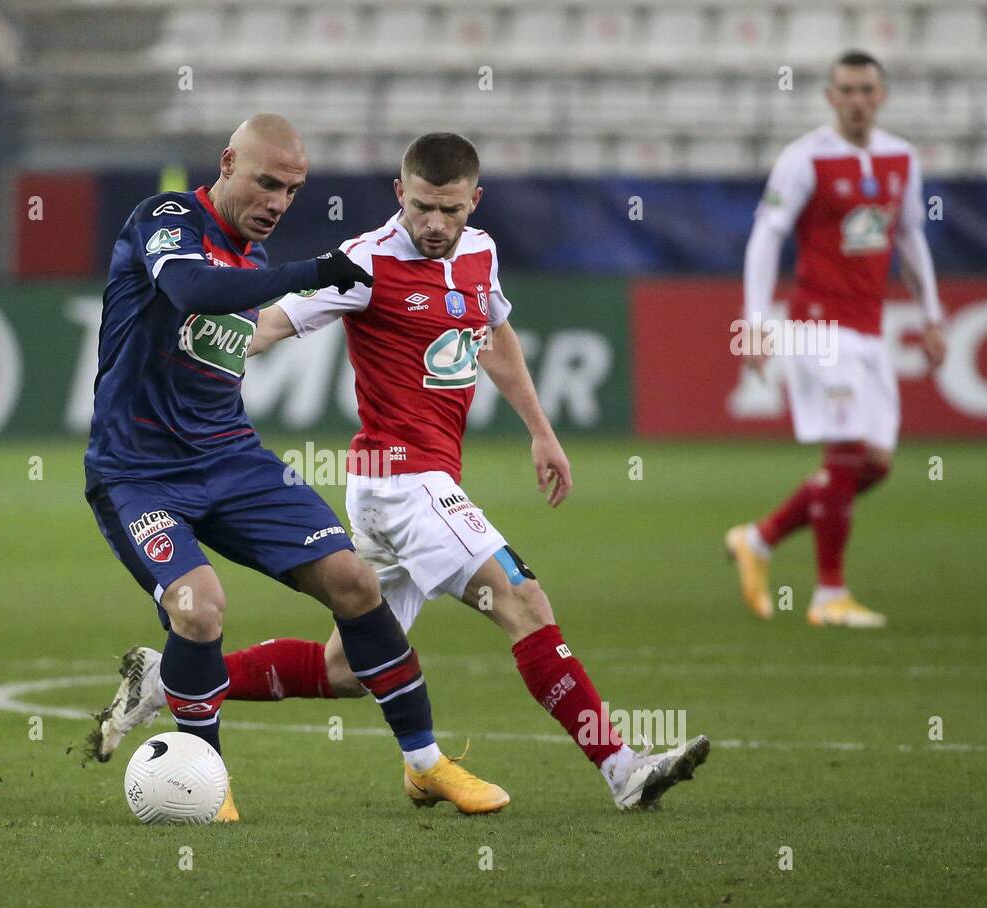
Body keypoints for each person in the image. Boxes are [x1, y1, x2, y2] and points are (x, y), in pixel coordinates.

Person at [103, 132, 709, 812]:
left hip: (412, 485)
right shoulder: (364, 261)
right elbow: (267, 323)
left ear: (474, 203)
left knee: (348, 668)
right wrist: (200, 352)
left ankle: (164, 681)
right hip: (402, 483)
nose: (435, 225)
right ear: (400, 194)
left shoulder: (481, 254)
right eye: (423, 207)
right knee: (523, 602)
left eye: (451, 211)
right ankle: (622, 768)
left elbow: (494, 331)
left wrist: (541, 431)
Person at [85, 114, 508, 821]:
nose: (278, 202)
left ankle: (427, 764)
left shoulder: (252, 262)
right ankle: (206, 781)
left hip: (232, 459)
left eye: (292, 189)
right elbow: (190, 292)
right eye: (266, 182)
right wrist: (314, 272)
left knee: (355, 582)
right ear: (227, 164)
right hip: (137, 473)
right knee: (199, 607)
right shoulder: (165, 220)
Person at [727, 51, 945, 628]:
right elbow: (766, 236)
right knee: (847, 452)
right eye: (846, 89)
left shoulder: (902, 156)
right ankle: (829, 596)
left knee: (874, 463)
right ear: (830, 96)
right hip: (817, 327)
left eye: (867, 89)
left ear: (882, 95)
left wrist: (933, 314)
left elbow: (911, 237)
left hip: (871, 329)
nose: (857, 99)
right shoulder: (806, 159)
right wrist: (754, 321)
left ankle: (760, 537)